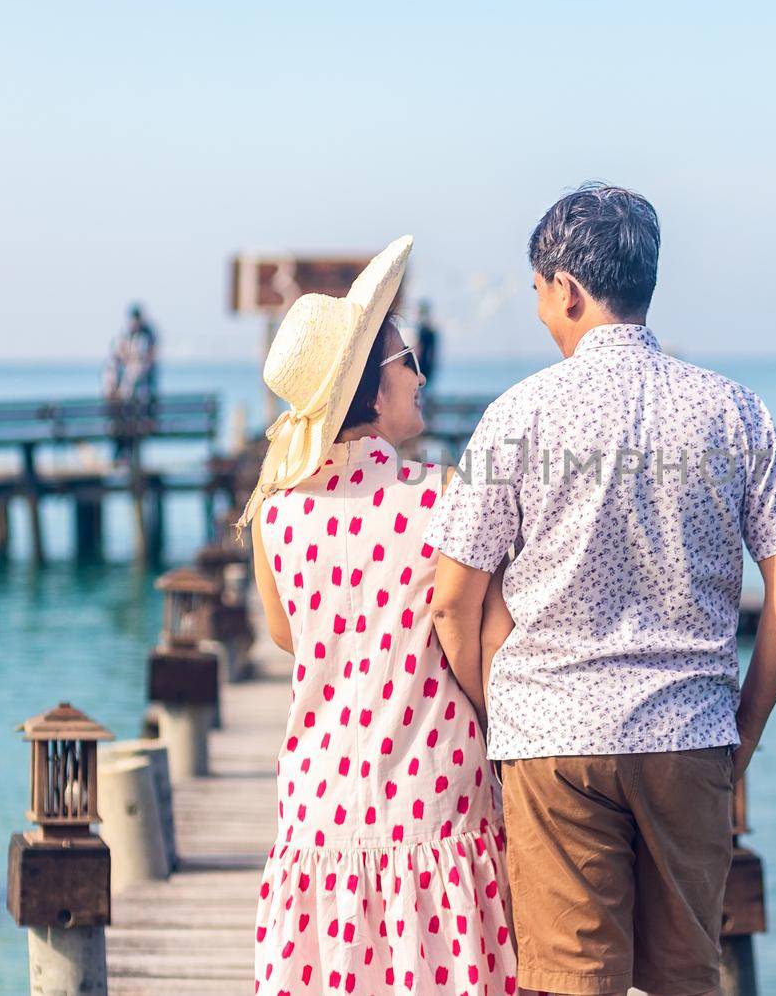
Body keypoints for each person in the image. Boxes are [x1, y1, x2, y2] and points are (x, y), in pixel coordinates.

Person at [425, 185, 776, 996]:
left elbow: (451, 601)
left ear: (566, 287)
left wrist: (503, 716)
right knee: (685, 978)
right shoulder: (735, 411)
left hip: (552, 738)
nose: (539, 308)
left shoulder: (517, 416)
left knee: (572, 983)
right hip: (688, 731)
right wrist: (743, 724)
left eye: (538, 290)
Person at [237, 236, 520, 995]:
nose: (421, 374)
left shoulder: (276, 512)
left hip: (321, 810)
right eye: (407, 361)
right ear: (369, 387)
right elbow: (487, 643)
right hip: (435, 800)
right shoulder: (441, 494)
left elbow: (288, 635)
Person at [415, 299, 439, 385]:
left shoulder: (424, 330)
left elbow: (419, 348)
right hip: (427, 365)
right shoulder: (429, 330)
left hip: (423, 365)